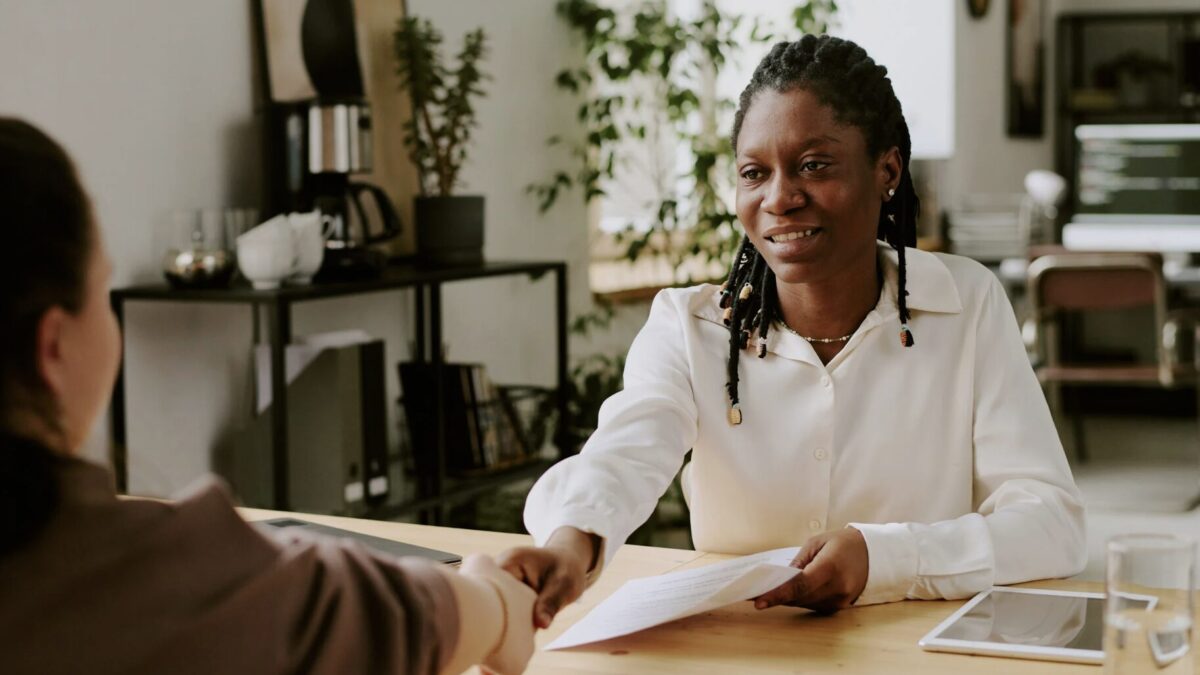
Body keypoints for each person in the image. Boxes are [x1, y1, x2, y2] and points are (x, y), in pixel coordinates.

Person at [498, 35, 1086, 628]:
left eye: (813, 165)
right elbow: (625, 454)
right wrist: (571, 545)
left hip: (915, 650)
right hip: (740, 653)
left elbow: (1050, 524)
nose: (780, 198)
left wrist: (885, 557)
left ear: (886, 170)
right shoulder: (689, 327)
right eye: (755, 173)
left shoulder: (967, 304)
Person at [0, 117, 536, 675]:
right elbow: (385, 619)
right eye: (103, 290)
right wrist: (494, 600)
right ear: (53, 346)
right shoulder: (145, 585)